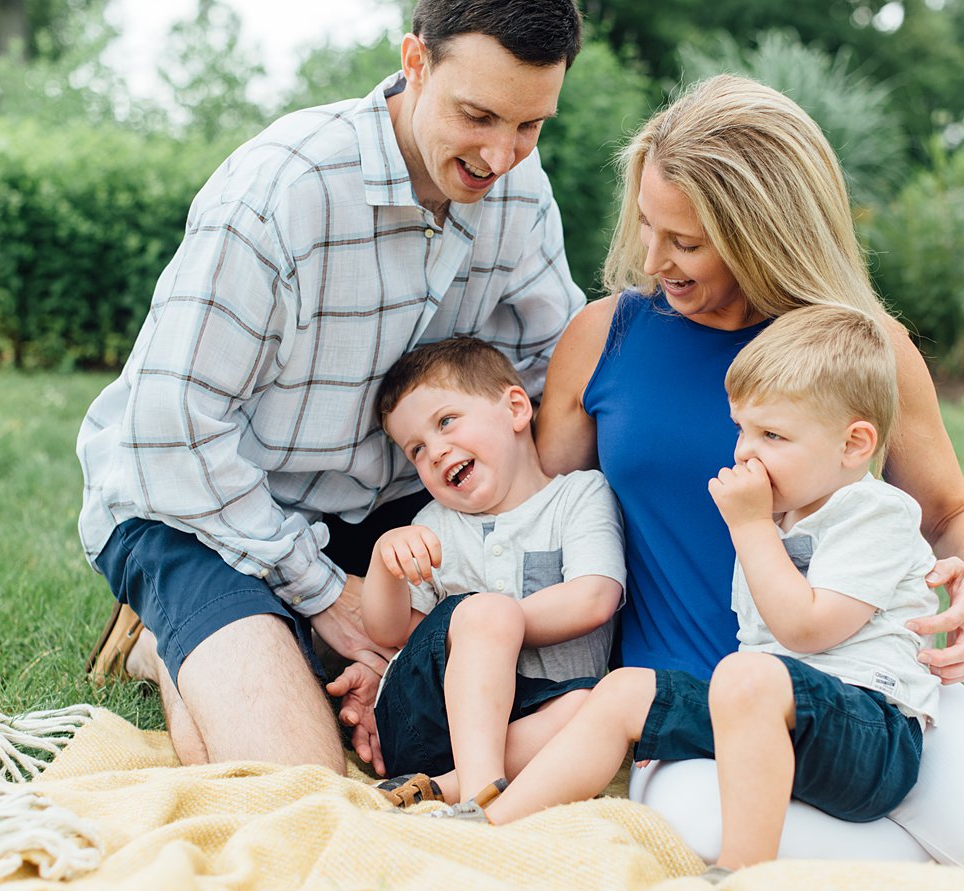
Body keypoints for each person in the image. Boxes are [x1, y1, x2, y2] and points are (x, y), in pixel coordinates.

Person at [533, 74, 964, 865]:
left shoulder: (863, 350)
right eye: (648, 227)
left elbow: (950, 514)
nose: (654, 259)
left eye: (687, 242)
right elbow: (540, 520)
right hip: (697, 699)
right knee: (742, 844)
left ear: (765, 231)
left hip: (867, 692)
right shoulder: (604, 338)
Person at [75, 0, 586, 772]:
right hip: (201, 507)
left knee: (480, 715)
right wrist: (326, 594)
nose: (501, 155)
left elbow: (551, 367)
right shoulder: (284, 189)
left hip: (391, 512)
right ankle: (167, 640)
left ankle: (268, 641)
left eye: (529, 126)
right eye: (478, 115)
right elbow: (172, 427)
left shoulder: (519, 188)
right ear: (415, 63)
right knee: (295, 774)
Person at [444, 307, 940, 872]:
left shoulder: (874, 514)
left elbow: (805, 629)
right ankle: (491, 829)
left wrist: (749, 528)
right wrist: (759, 525)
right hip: (769, 719)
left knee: (745, 675)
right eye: (742, 431)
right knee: (626, 691)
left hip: (870, 735)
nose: (744, 453)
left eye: (772, 435)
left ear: (853, 446)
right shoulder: (779, 517)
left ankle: (737, 876)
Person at [361, 338, 624, 809]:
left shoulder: (579, 496)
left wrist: (496, 623)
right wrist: (385, 560)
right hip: (427, 717)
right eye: (416, 449)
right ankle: (481, 796)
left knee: (599, 707)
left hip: (532, 721)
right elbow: (388, 631)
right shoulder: (433, 525)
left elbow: (594, 599)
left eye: (446, 422)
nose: (435, 452)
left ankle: (447, 787)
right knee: (487, 614)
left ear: (517, 409)